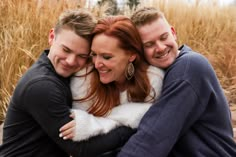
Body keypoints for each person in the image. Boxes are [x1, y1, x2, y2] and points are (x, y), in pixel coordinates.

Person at [0, 9, 136, 157]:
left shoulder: (69, 74)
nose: (71, 61)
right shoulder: (42, 86)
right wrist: (131, 126)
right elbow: (80, 148)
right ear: (52, 37)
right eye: (66, 50)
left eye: (81, 56)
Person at [116, 7, 236, 157]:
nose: (160, 48)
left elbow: (153, 137)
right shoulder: (156, 76)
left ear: (173, 33)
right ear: (139, 50)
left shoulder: (189, 67)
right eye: (149, 44)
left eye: (164, 37)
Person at [59, 15, 164, 142]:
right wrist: (134, 115)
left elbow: (153, 129)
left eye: (106, 57)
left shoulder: (153, 79)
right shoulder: (84, 78)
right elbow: (78, 139)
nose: (97, 64)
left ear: (131, 55)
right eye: (94, 54)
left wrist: (95, 124)